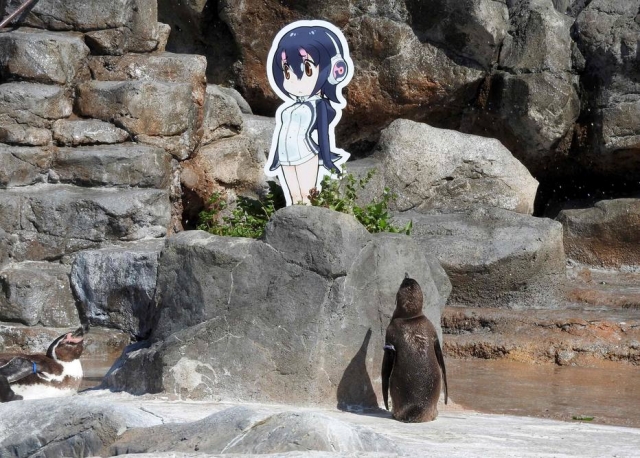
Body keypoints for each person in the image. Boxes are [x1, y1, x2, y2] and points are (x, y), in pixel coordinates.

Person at [266, 20, 354, 206]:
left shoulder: (319, 105)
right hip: (285, 156)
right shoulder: (289, 108)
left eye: (306, 69)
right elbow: (282, 134)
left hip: (306, 154)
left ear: (333, 70)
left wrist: (328, 161)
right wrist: (275, 159)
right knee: (294, 198)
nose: (293, 79)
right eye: (286, 71)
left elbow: (323, 135)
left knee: (307, 197)